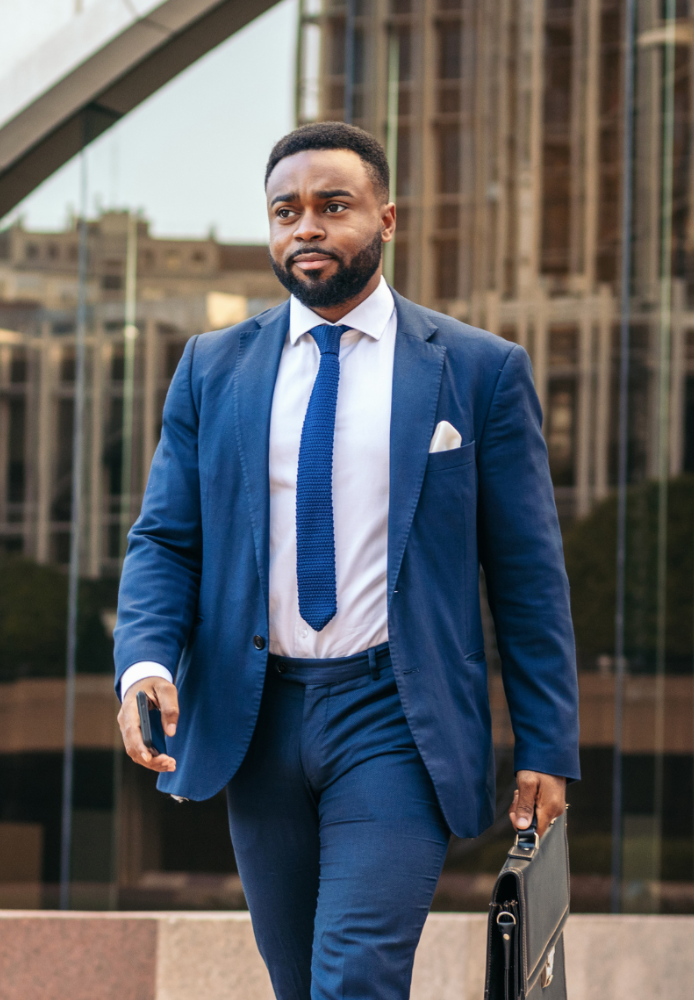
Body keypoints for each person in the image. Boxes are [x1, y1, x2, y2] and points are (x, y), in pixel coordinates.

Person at [113, 122, 580, 1000]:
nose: (307, 229)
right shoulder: (213, 369)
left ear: (387, 218)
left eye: (334, 206)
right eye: (285, 211)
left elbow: (527, 575)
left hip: (395, 716)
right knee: (300, 984)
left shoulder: (478, 372)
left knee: (355, 975)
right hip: (258, 719)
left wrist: (546, 743)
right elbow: (166, 539)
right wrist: (143, 660)